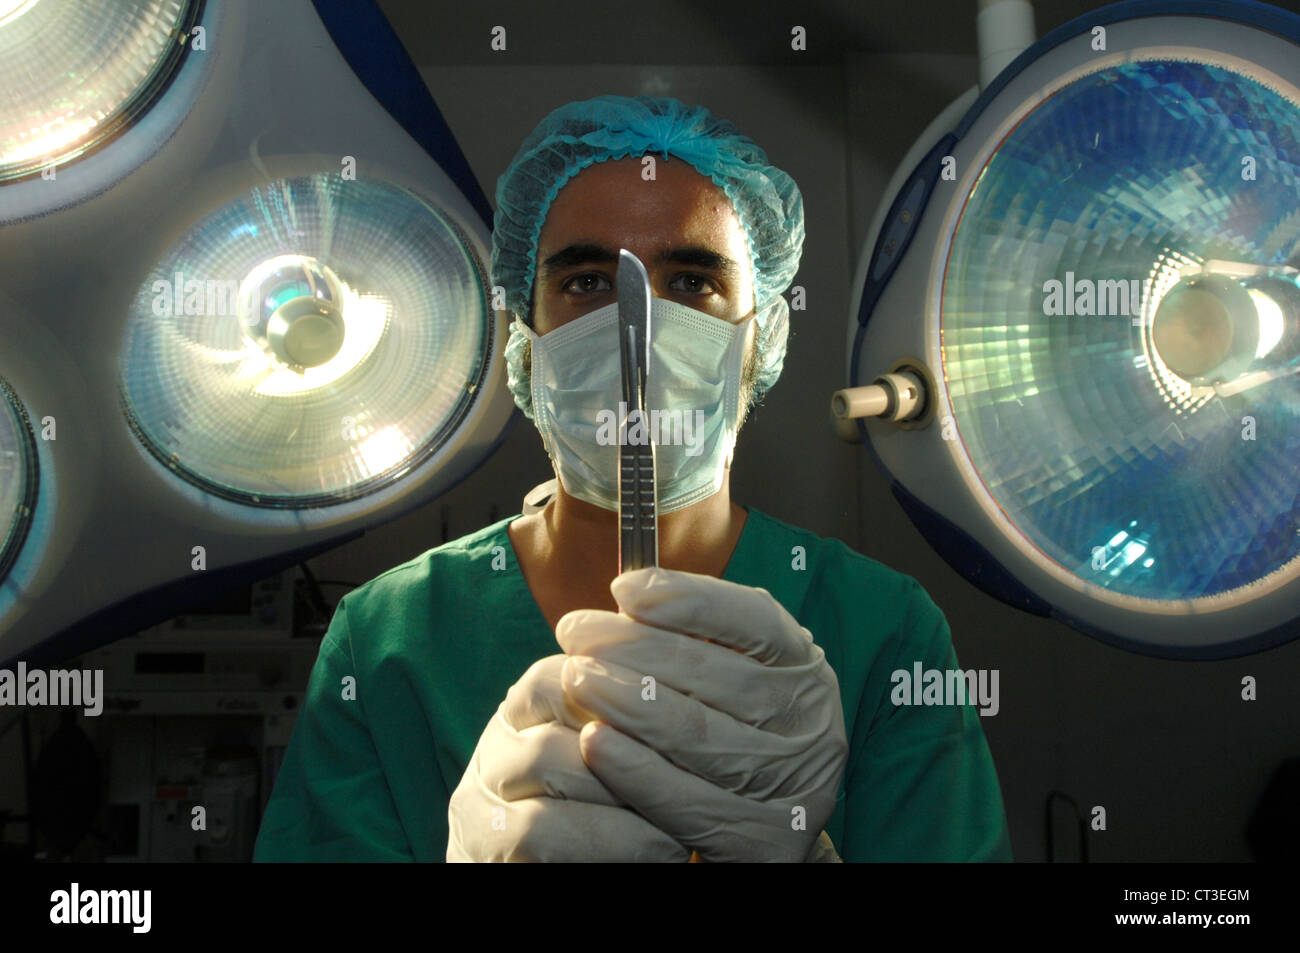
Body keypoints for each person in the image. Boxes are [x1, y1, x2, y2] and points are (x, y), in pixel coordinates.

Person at [253, 94, 1013, 862]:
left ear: (761, 337)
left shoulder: (885, 630)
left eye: (690, 282)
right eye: (588, 282)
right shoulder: (388, 638)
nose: (636, 326)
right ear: (527, 340)